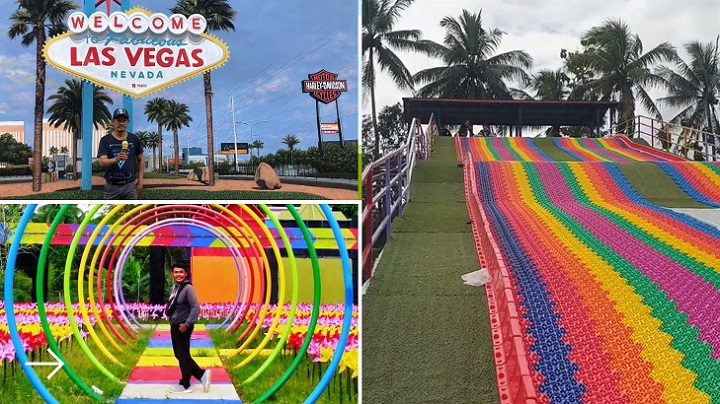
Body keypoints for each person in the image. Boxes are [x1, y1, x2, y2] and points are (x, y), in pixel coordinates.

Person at [165, 261, 211, 394]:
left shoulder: (188, 288)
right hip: (175, 325)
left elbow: (195, 307)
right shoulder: (176, 287)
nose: (178, 274)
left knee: (182, 354)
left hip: (183, 326)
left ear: (185, 274)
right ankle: (202, 375)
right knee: (180, 354)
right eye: (176, 272)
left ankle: (185, 383)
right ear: (172, 274)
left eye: (181, 272)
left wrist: (187, 324)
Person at [97, 108, 145, 199]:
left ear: (128, 122)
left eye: (124, 120)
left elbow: (141, 159)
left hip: (130, 186)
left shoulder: (134, 139)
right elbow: (103, 161)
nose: (121, 123)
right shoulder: (105, 140)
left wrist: (140, 180)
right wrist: (116, 159)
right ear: (113, 122)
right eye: (118, 120)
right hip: (111, 187)